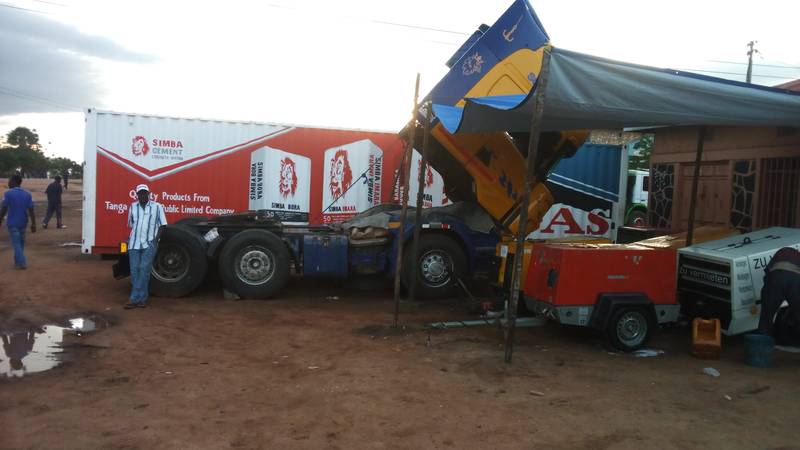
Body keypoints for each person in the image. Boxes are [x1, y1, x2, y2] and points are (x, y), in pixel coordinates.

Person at [125, 184, 167, 309]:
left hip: (149, 244)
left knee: (144, 270)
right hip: (134, 244)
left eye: (145, 193)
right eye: (140, 193)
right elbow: (131, 224)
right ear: (137, 195)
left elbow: (162, 225)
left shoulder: (157, 207)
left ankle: (135, 299)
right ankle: (141, 299)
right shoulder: (132, 207)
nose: (142, 195)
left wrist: (155, 240)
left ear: (149, 194)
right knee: (134, 271)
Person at [757, 247, 800, 337]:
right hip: (794, 281)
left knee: (766, 318)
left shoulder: (781, 253)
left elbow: (767, 275)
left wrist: (766, 296)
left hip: (774, 279)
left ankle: (761, 347)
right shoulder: (797, 256)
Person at [0, 174, 36, 269]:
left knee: (16, 243)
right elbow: (31, 210)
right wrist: (33, 224)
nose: (8, 182)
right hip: (23, 222)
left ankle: (22, 262)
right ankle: (17, 263)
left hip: (12, 222)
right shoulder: (27, 194)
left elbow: (3, 208)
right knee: (20, 243)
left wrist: (0, 220)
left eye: (9, 180)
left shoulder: (8, 193)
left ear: (14, 182)